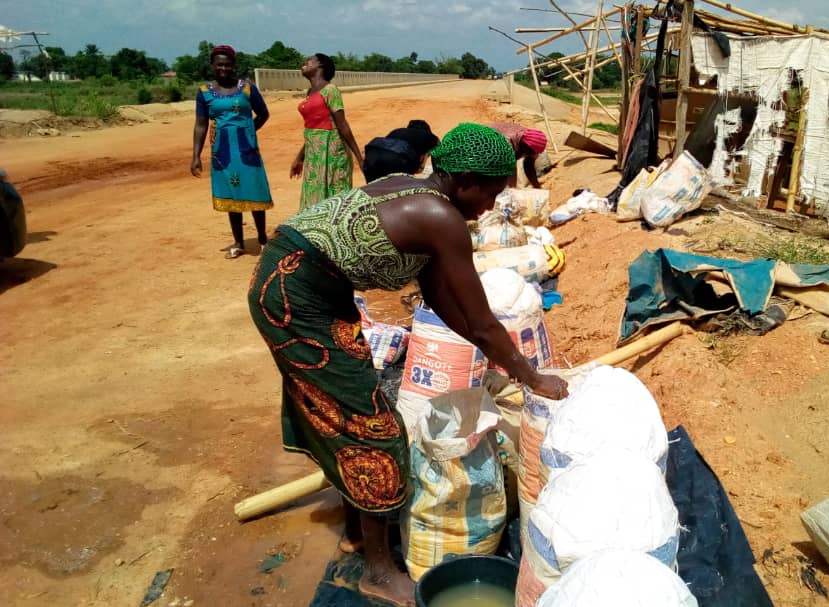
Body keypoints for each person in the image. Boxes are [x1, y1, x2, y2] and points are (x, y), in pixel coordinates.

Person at [248, 123, 568, 607]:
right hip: (296, 299)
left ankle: (359, 525)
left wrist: (497, 360)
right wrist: (529, 375)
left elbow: (444, 302)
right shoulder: (442, 218)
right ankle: (376, 570)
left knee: (348, 409)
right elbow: (482, 322)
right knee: (374, 429)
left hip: (313, 288)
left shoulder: (424, 195)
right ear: (463, 181)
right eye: (491, 191)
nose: (491, 204)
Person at [191, 45, 273, 259]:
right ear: (213, 66)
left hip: (247, 149)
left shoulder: (247, 88)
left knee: (254, 190)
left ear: (233, 66)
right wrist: (196, 156)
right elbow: (200, 124)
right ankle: (239, 241)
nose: (224, 68)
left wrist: (249, 131)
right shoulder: (204, 92)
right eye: (220, 64)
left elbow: (264, 113)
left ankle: (263, 238)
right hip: (222, 151)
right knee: (231, 193)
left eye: (227, 64)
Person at [290, 54, 364, 209]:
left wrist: (359, 158)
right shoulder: (310, 92)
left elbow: (342, 124)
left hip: (332, 152)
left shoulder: (331, 90)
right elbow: (313, 128)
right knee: (314, 195)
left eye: (310, 60)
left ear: (321, 66)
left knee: (334, 196)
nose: (304, 62)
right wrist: (299, 158)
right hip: (314, 153)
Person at [361, 119, 440, 182]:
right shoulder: (431, 137)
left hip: (372, 154)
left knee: (373, 188)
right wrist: (437, 173)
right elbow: (440, 153)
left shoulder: (397, 131)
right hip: (397, 158)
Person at [489, 121, 547, 188]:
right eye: (529, 153)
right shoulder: (506, 145)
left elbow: (529, 165)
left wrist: (537, 186)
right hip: (487, 146)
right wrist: (512, 189)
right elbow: (508, 169)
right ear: (525, 147)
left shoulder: (528, 137)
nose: (527, 155)